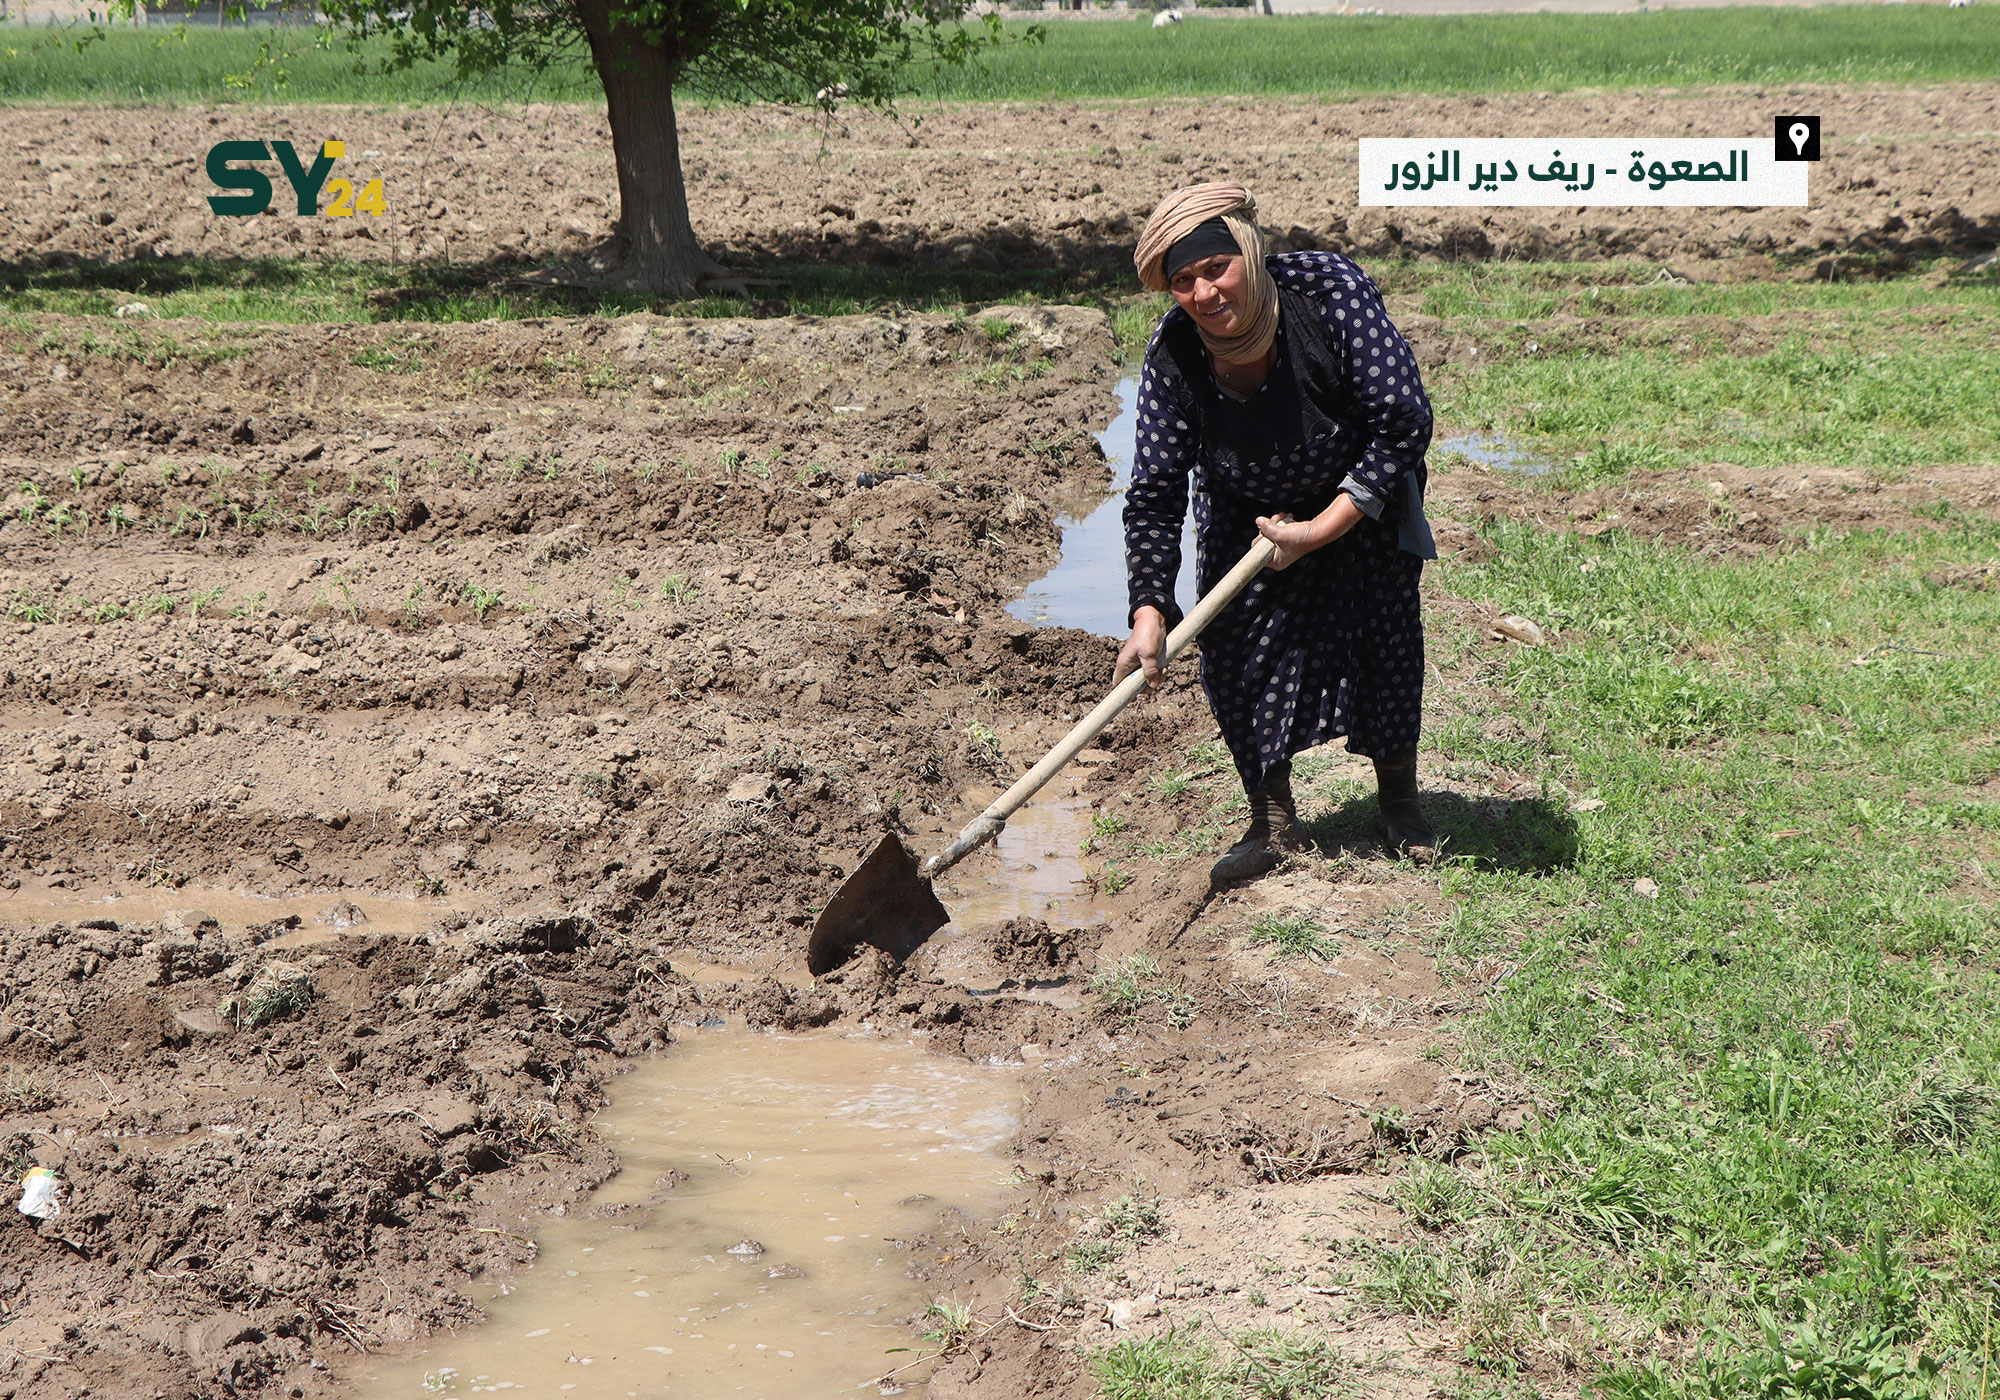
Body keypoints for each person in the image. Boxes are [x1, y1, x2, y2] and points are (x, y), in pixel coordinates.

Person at [1113, 181, 1437, 883]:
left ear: (1250, 252)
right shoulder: (1176, 353)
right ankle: (1272, 822)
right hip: (1245, 503)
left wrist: (1322, 528)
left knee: (1383, 634)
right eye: (1183, 281)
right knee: (1234, 652)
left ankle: (1401, 805)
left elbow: (1403, 420)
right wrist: (1149, 609)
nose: (1204, 293)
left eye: (1217, 268)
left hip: (1359, 486)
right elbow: (1156, 492)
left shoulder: (1328, 295)